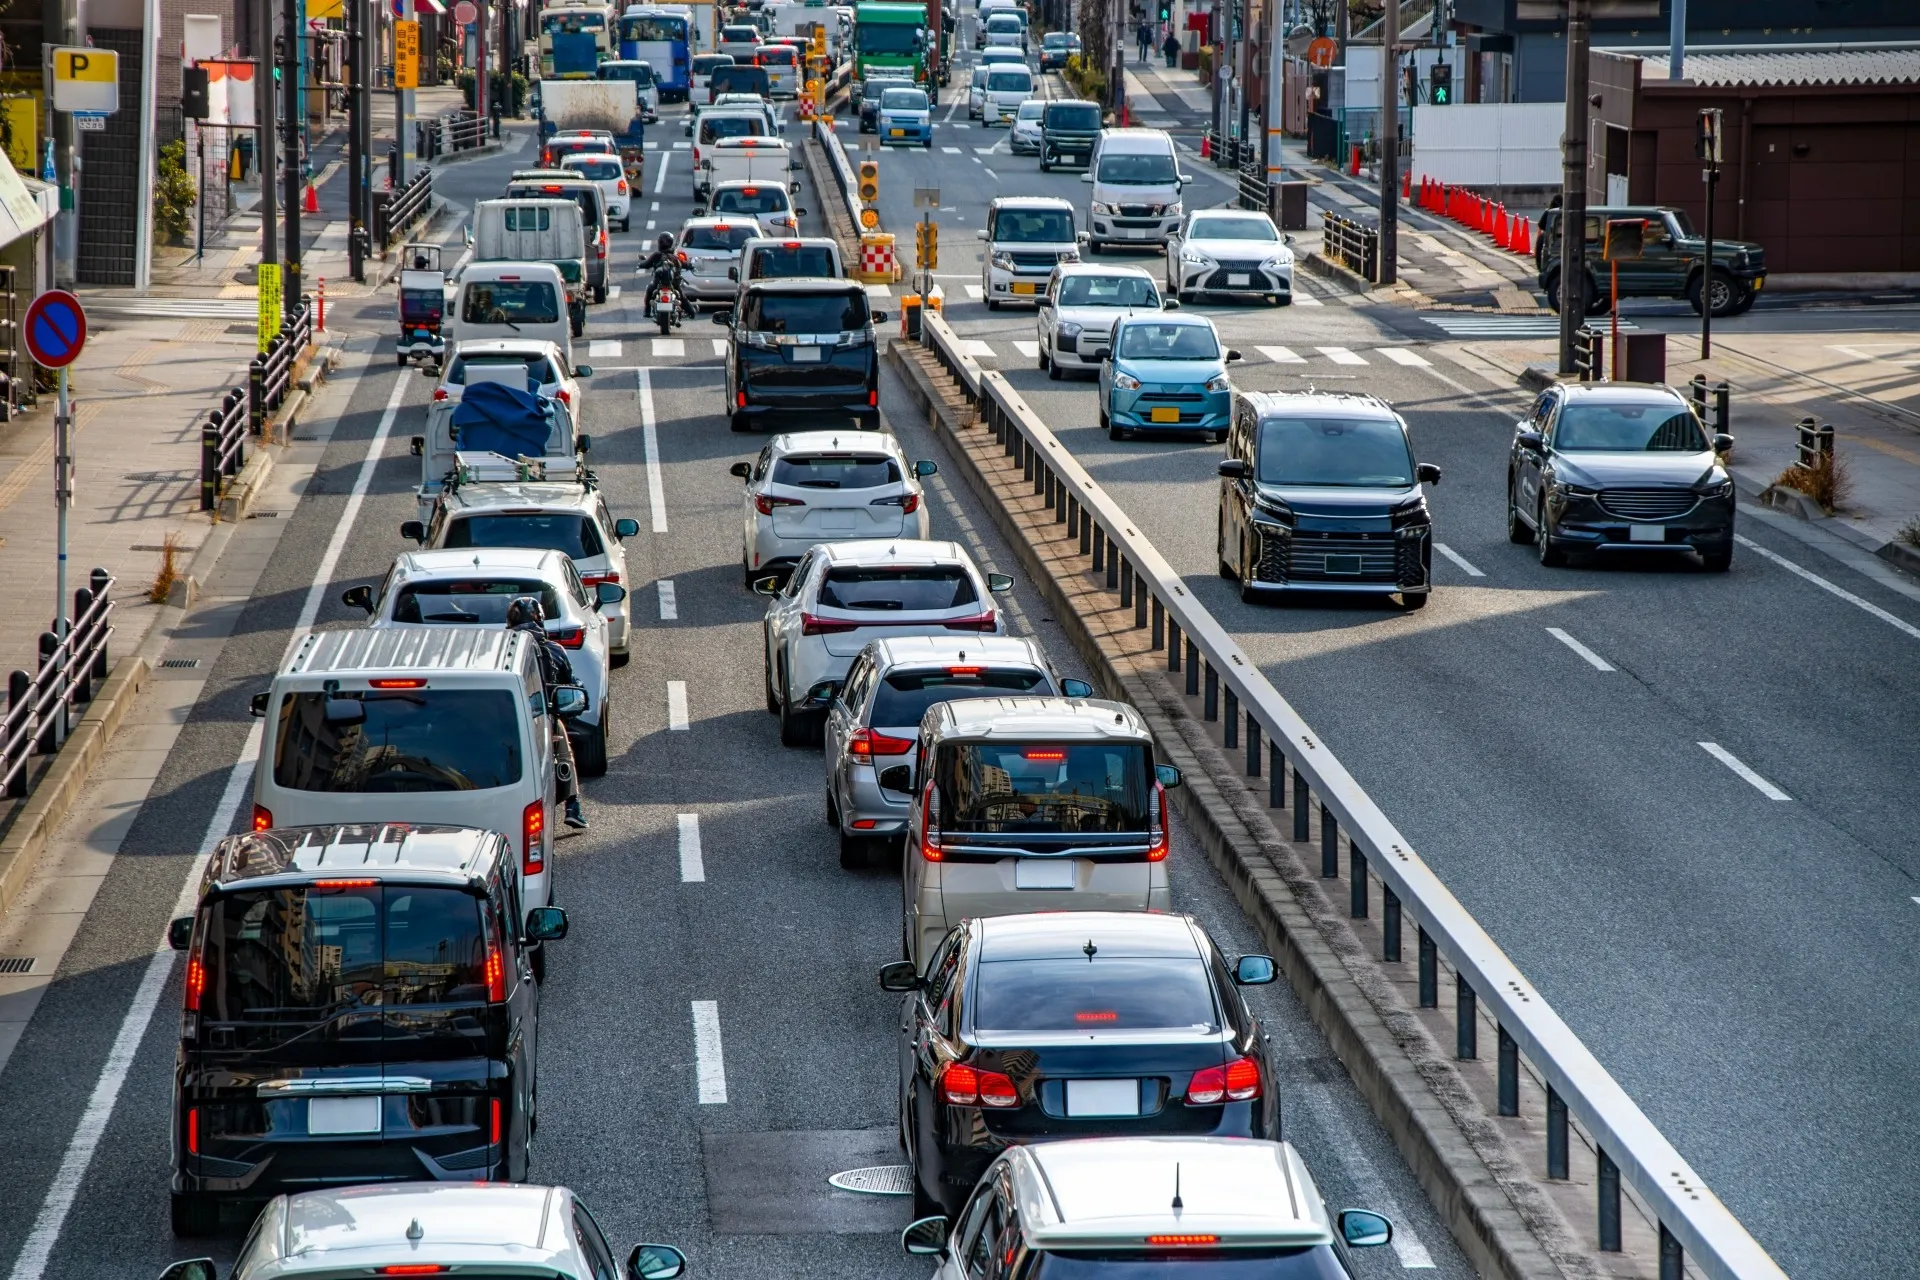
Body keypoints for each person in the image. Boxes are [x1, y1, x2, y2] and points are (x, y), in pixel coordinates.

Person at [506, 595, 589, 830]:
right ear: (540, 620)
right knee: (565, 755)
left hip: (513, 720)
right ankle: (572, 806)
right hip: (546, 716)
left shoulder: (506, 652)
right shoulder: (555, 650)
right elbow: (569, 682)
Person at [638, 232, 683, 316]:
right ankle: (691, 312)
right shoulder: (674, 256)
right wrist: (690, 266)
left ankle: (647, 311)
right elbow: (682, 264)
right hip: (673, 284)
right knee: (681, 296)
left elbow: (647, 264)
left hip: (658, 283)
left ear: (659, 243)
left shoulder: (657, 255)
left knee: (649, 290)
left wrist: (640, 265)